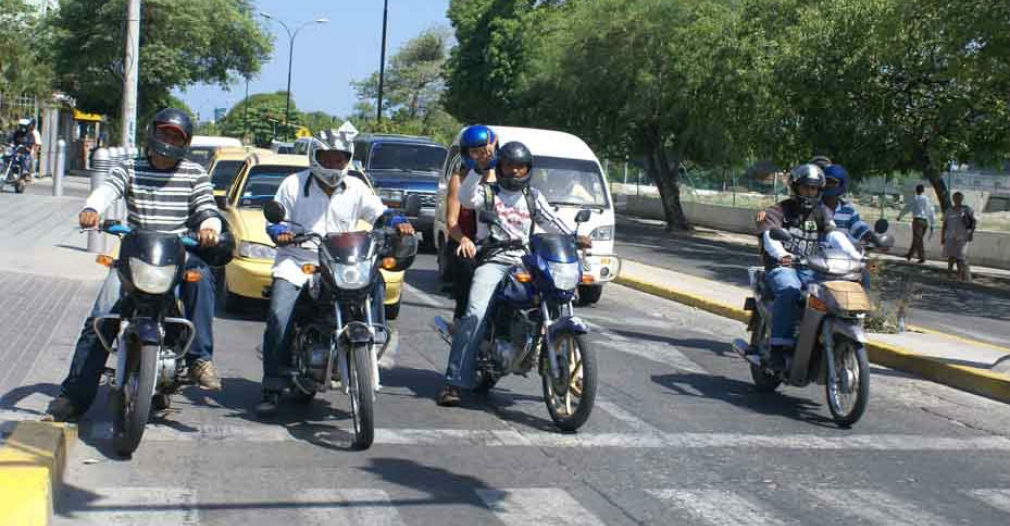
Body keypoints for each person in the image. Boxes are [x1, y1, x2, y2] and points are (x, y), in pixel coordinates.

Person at [45, 108, 224, 422]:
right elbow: (108, 190)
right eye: (164, 133)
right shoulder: (130, 167)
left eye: (175, 136)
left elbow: (207, 207)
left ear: (185, 142)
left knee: (202, 279)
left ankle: (200, 359)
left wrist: (210, 227)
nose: (168, 140)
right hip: (135, 252)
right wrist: (91, 208)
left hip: (178, 253)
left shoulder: (194, 173)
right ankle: (74, 396)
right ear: (152, 133)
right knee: (102, 318)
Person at [256, 122, 415, 416]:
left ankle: (375, 335)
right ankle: (273, 384)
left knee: (375, 279)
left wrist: (396, 222)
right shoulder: (293, 184)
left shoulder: (356, 187)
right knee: (279, 313)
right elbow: (275, 219)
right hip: (298, 260)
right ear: (315, 156)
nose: (333, 163)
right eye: (327, 157)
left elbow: (380, 213)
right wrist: (279, 231)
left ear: (348, 158)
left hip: (341, 260)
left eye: (339, 157)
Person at [437, 141, 590, 407]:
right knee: (474, 312)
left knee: (556, 296)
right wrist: (478, 168)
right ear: (502, 167)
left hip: (525, 258)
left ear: (528, 169)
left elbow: (553, 221)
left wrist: (576, 237)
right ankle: (454, 382)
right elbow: (464, 198)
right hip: (494, 258)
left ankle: (561, 363)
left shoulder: (533, 197)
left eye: (521, 167)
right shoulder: (488, 192)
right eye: (510, 166)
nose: (516, 171)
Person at [755, 164, 862, 369]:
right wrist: (782, 255)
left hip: (811, 267)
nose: (810, 192)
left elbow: (834, 234)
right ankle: (778, 347)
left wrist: (855, 256)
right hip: (784, 266)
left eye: (814, 188)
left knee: (832, 293)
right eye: (806, 188)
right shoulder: (780, 209)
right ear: (796, 187)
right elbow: (770, 236)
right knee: (790, 291)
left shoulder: (821, 212)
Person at [444, 125, 498, 329]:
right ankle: (461, 321)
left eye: (484, 151)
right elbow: (451, 222)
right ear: (466, 153)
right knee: (468, 270)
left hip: (495, 244)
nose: (480, 156)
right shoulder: (459, 179)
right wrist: (464, 240)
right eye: (475, 152)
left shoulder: (501, 177)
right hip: (464, 242)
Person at [942, 191, 976, 282]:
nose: (957, 200)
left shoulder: (967, 210)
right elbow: (944, 224)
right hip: (950, 237)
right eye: (956, 198)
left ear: (962, 199)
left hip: (962, 237)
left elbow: (973, 223)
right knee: (951, 257)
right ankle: (949, 275)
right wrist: (942, 237)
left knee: (960, 257)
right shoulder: (949, 211)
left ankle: (959, 276)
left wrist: (971, 234)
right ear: (953, 199)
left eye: (959, 198)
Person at [898, 184, 935, 263]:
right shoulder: (928, 199)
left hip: (917, 221)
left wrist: (900, 215)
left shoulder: (916, 198)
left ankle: (921, 257)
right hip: (925, 221)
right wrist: (932, 224)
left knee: (918, 239)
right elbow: (932, 212)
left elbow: (907, 207)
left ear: (916, 190)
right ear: (923, 190)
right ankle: (910, 255)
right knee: (917, 239)